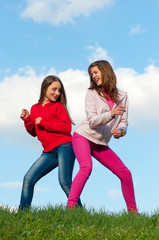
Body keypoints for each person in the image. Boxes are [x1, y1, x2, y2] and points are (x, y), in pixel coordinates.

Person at [67, 60, 138, 213]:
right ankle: (70, 208)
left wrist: (121, 132)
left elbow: (124, 122)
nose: (93, 76)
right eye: (91, 74)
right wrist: (111, 114)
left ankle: (133, 213)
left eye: (96, 72)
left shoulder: (122, 96)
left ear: (105, 71)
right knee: (86, 167)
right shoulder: (91, 94)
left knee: (125, 174)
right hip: (83, 136)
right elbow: (92, 121)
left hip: (101, 144)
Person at [19, 75, 82, 209]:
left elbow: (66, 128)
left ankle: (79, 212)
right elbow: (34, 132)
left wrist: (44, 122)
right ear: (44, 88)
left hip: (65, 147)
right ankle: (23, 214)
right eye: (54, 89)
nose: (57, 93)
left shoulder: (58, 107)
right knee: (28, 179)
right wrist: (27, 120)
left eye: (59, 91)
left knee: (64, 181)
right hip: (48, 152)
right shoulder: (35, 108)